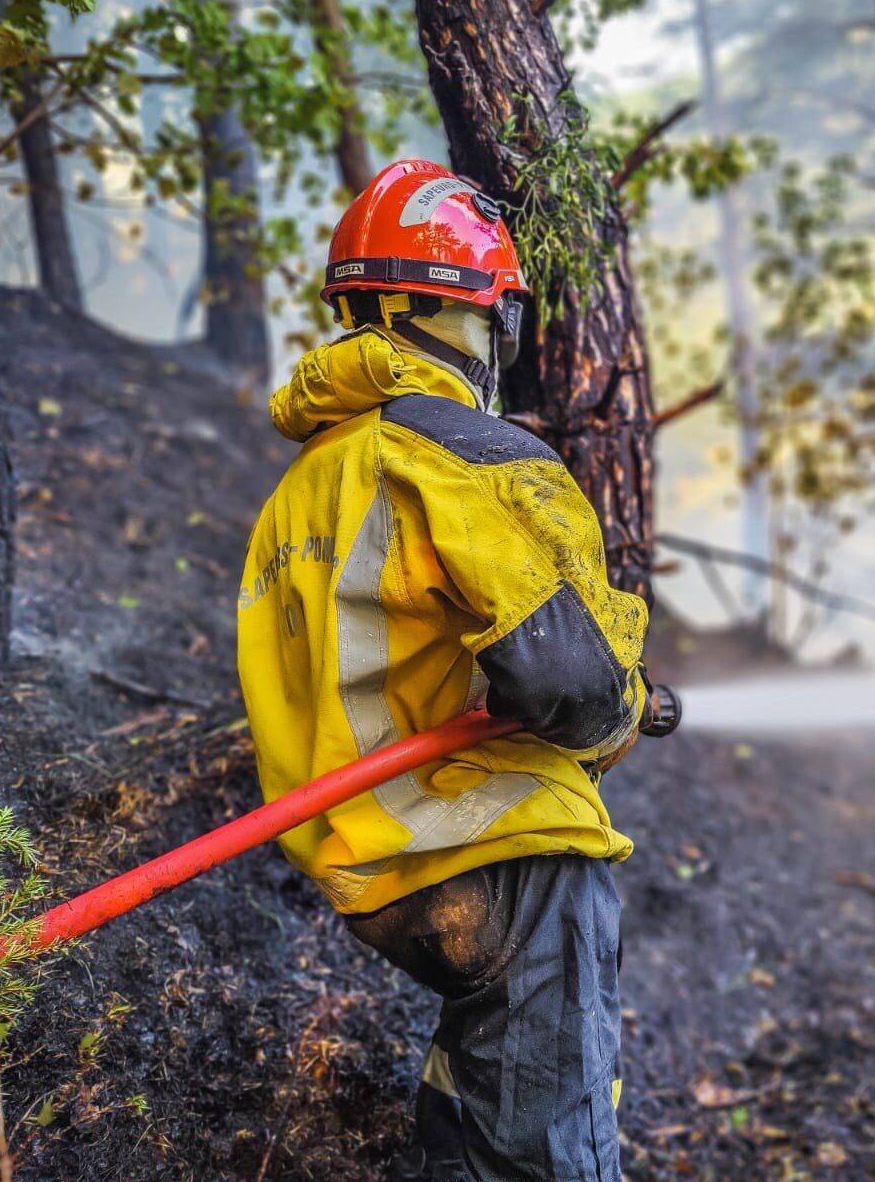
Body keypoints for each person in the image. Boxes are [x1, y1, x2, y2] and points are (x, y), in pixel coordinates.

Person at [237, 158, 674, 1180]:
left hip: (369, 865)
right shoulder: (466, 454)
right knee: (544, 1136)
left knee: (480, 1097)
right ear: (477, 319)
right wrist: (624, 708)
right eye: (498, 324)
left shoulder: (307, 482)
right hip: (499, 853)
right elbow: (570, 686)